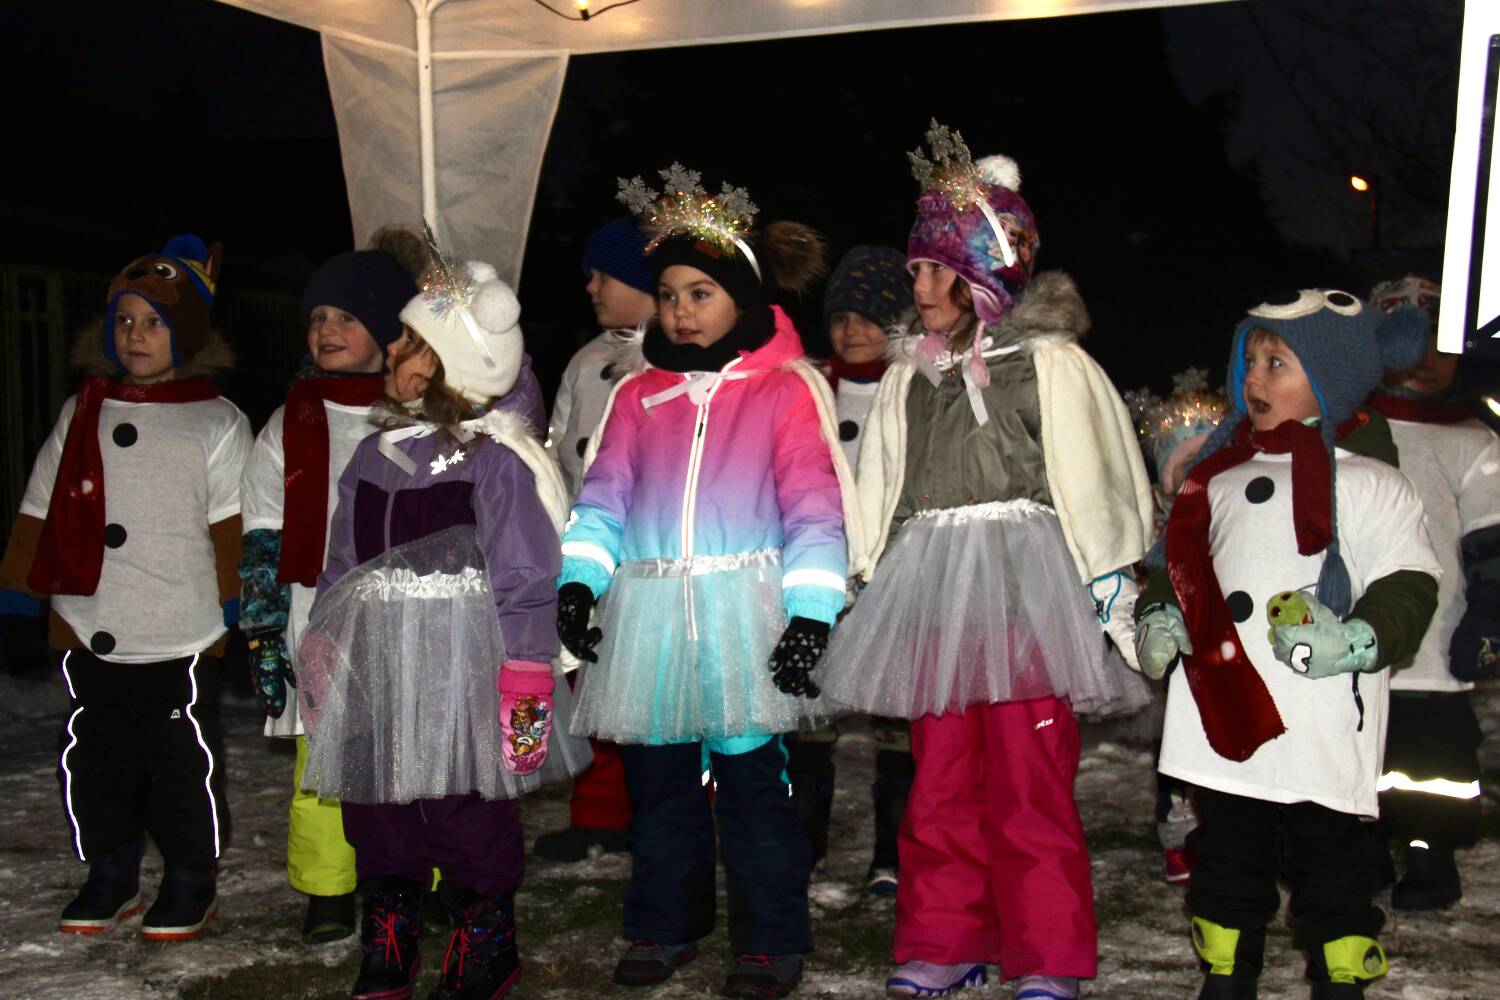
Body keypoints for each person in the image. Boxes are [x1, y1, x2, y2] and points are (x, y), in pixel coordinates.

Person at [818, 123, 1154, 1000]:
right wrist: (863, 575)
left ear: (985, 274)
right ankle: (944, 938)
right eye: (916, 270)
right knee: (939, 781)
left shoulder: (1050, 365)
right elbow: (884, 482)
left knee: (1030, 784)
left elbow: (1093, 478)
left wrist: (1110, 584)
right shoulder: (911, 374)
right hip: (934, 595)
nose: (919, 287)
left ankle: (1047, 953)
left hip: (1025, 597)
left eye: (938, 271)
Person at [555, 165, 855, 999]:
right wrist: (579, 582)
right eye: (668, 295)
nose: (681, 311)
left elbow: (813, 509)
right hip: (650, 613)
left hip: (741, 612)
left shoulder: (783, 394)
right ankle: (664, 924)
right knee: (659, 789)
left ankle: (770, 940)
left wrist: (811, 613)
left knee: (755, 790)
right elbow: (602, 500)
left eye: (701, 294)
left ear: (742, 299)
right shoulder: (637, 396)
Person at [1134, 289, 1442, 999]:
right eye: (1250, 361)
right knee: (1225, 856)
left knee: (1334, 865)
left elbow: (1409, 581)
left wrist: (1358, 637)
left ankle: (1340, 977)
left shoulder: (1370, 483)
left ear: (1330, 378)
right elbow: (1180, 566)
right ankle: (1225, 976)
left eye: (1277, 363)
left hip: (1318, 716)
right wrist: (1162, 615)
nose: (1254, 378)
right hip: (1224, 712)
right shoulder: (1218, 477)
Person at [299, 245, 588, 1000]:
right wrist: (323, 641)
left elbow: (526, 574)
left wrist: (525, 674)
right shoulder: (373, 456)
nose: (392, 352)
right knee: (377, 805)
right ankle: (389, 937)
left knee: (465, 807)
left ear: (452, 364)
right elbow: (342, 562)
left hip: (464, 668)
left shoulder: (493, 461)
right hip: (378, 665)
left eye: (408, 342)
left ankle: (485, 939)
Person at [0, 235, 252, 941]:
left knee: (178, 763)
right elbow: (39, 509)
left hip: (181, 627)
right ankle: (109, 870)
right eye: (125, 320)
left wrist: (242, 615)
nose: (136, 335)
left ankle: (190, 876)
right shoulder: (82, 411)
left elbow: (234, 531)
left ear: (189, 333)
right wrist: (18, 597)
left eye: (155, 322)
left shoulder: (217, 420)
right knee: (96, 759)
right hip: (92, 620)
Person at [237, 249, 417, 944]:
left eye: (347, 316)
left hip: (408, 611)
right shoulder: (291, 420)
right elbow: (262, 523)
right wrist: (262, 624)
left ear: (389, 330)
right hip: (318, 615)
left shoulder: (414, 414)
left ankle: (422, 875)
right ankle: (328, 889)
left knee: (415, 750)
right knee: (323, 760)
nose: (327, 330)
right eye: (317, 317)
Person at [1364, 276, 1500, 911]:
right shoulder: (1341, 426)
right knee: (1356, 745)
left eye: (1439, 345)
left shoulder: (1474, 438)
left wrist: (1489, 617)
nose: (1424, 359)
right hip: (1353, 631)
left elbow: (1491, 538)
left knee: (1433, 759)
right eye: (1408, 340)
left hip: (1436, 640)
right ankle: (1359, 844)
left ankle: (1431, 852)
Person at [783, 244, 915, 892]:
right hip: (822, 581)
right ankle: (804, 847)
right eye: (841, 317)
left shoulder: (912, 390)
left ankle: (894, 854)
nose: (853, 330)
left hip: (893, 584)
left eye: (870, 317)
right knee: (810, 724)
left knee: (899, 730)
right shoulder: (811, 391)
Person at [533, 216, 653, 863]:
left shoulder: (674, 360)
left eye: (603, 275)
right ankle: (599, 811)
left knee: (655, 688)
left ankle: (668, 809)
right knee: (593, 680)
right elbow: (558, 451)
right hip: (591, 551)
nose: (591, 287)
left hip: (652, 556)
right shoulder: (585, 362)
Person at [1126, 372, 1229, 886]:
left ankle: (1228, 826)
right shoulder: (1153, 520)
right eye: (1187, 463)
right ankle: (1179, 830)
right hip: (1175, 655)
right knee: (1178, 745)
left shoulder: (1234, 511)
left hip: (1227, 648)